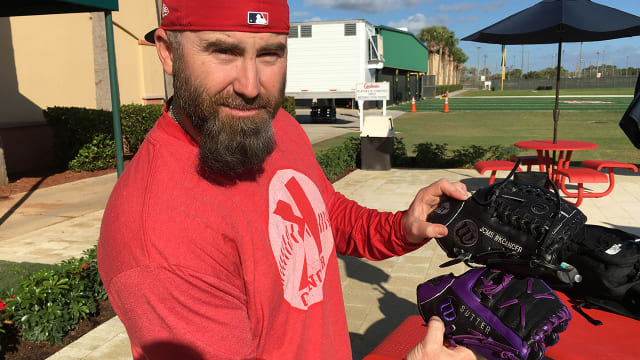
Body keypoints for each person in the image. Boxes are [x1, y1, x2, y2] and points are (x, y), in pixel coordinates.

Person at [97, 0, 476, 359]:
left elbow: (326, 213)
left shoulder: (276, 125)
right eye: (223, 52)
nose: (250, 86)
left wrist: (402, 228)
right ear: (167, 51)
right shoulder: (157, 238)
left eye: (269, 55)